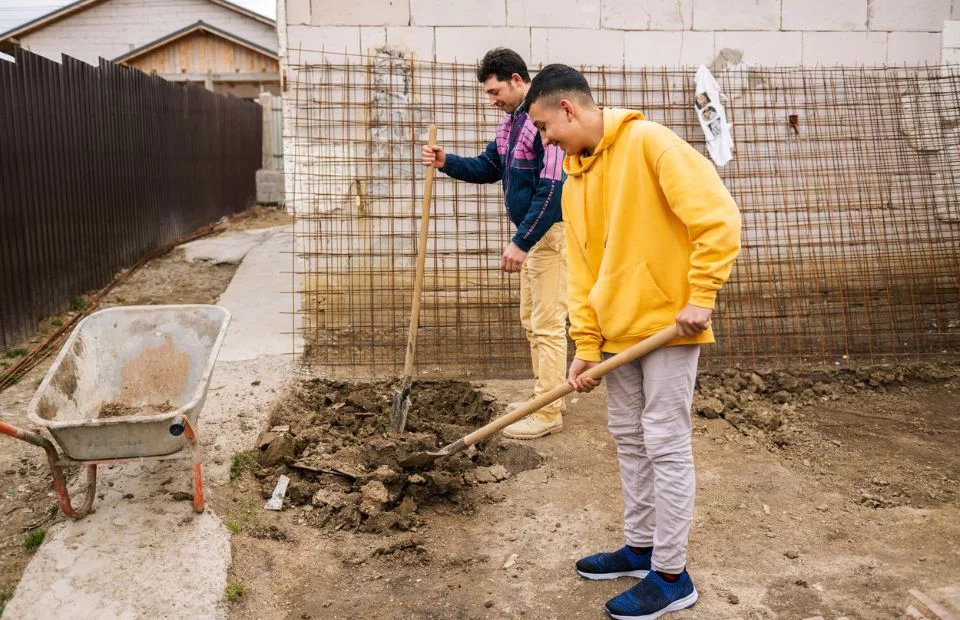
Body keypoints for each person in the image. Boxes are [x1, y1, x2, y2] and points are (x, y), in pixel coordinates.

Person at [525, 64, 742, 619]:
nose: (545, 141)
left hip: (668, 328)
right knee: (628, 439)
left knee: (664, 442)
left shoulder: (650, 143)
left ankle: (670, 575)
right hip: (615, 337)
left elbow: (717, 218)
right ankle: (641, 547)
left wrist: (701, 294)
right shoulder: (575, 181)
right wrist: (586, 344)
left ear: (568, 108)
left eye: (545, 127)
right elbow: (582, 271)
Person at [421, 48, 568, 440]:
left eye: (494, 91)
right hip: (534, 238)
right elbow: (488, 166)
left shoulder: (544, 122)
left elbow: (553, 191)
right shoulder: (510, 124)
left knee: (548, 325)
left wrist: (521, 241)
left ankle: (548, 411)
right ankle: (544, 396)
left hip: (552, 235)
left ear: (517, 80)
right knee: (532, 322)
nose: (491, 100)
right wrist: (446, 161)